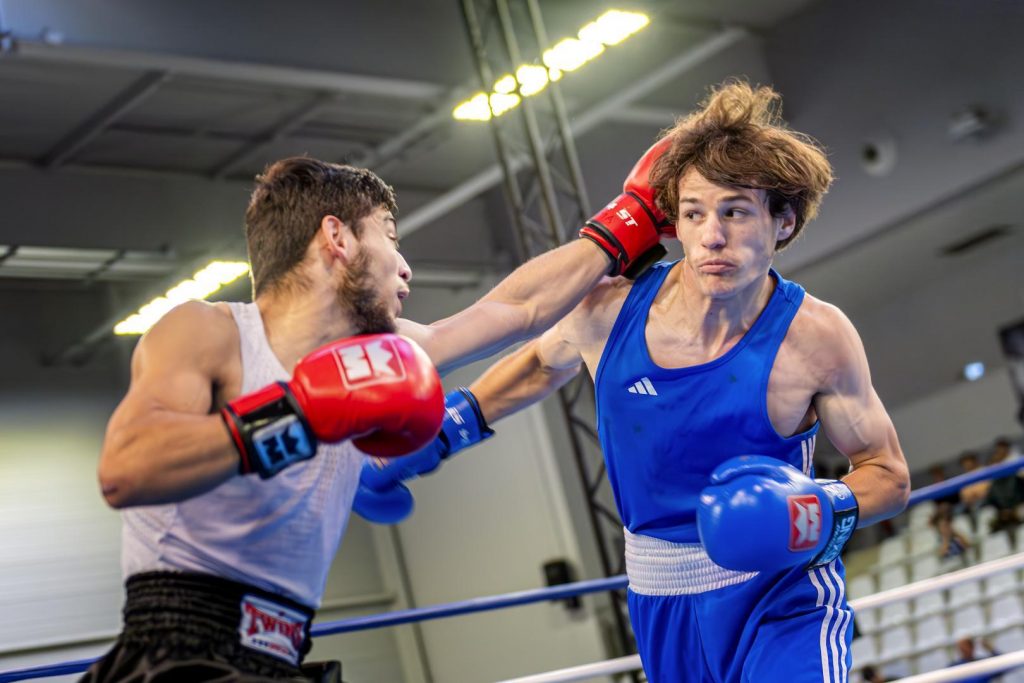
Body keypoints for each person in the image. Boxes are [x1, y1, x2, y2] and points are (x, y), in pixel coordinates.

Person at [354, 81, 911, 682]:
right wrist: (443, 432)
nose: (712, 236)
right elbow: (540, 361)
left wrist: (818, 510)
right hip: (660, 599)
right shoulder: (610, 310)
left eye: (735, 212)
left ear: (783, 223)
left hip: (783, 596)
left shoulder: (816, 337)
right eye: (694, 214)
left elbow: (888, 474)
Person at [89, 151, 669, 682]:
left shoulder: (376, 354)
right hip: (174, 653)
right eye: (390, 237)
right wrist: (302, 413)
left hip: (280, 654)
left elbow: (519, 309)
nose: (406, 268)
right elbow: (125, 471)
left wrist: (631, 219)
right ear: (336, 238)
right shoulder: (210, 333)